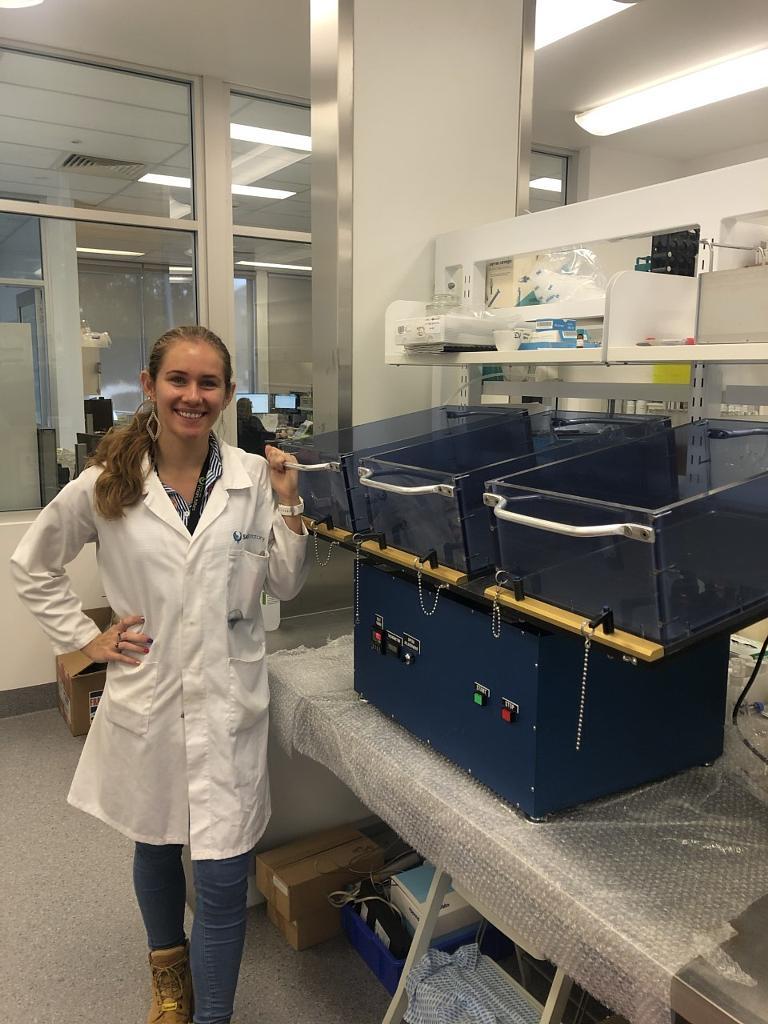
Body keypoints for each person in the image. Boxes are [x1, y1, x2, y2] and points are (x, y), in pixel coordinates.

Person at [10, 325, 310, 1024]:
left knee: (224, 871)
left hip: (228, 698)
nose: (192, 395)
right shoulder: (106, 483)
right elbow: (32, 565)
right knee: (156, 839)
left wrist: (291, 503)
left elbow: (286, 585)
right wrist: (87, 639)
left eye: (209, 383)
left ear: (227, 395)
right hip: (151, 695)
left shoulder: (253, 479)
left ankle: (213, 1016)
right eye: (178, 379)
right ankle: (169, 974)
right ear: (150, 386)